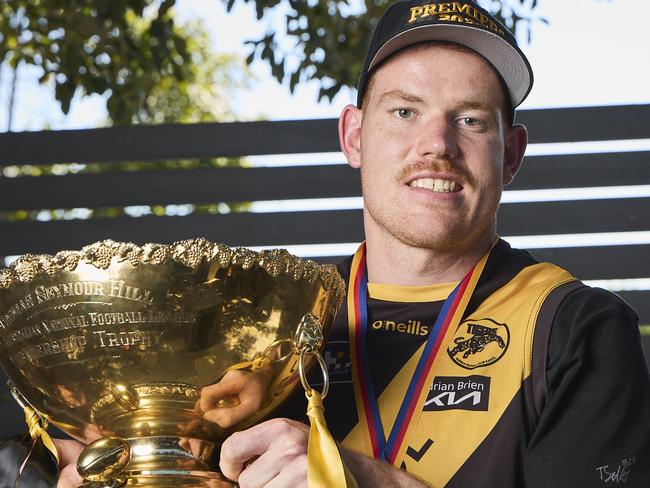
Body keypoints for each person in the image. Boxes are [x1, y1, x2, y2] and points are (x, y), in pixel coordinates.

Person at [26, 0, 650, 486]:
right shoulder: (266, 333)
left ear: (510, 154)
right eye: (404, 112)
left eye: (471, 119)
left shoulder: (574, 327)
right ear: (353, 137)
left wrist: (365, 482)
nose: (436, 144)